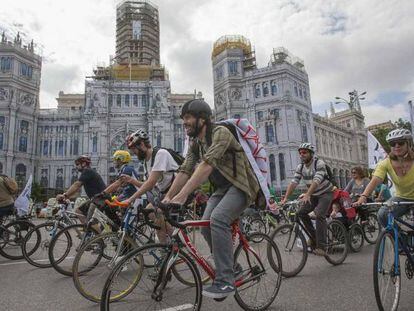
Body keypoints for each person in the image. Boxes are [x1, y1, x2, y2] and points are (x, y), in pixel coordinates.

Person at [162, 99, 260, 299]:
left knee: (218, 219)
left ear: (202, 119)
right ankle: (233, 267)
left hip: (241, 186)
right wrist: (167, 197)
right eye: (184, 119)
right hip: (222, 188)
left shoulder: (220, 133)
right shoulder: (196, 142)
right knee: (205, 224)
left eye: (188, 118)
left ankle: (225, 280)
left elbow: (206, 166)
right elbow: (185, 169)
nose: (185, 122)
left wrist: (181, 198)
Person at [120, 129, 180, 244]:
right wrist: (132, 180)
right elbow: (149, 184)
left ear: (141, 145)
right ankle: (174, 240)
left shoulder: (160, 154)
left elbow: (151, 183)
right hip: (164, 194)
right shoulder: (147, 161)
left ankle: (166, 249)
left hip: (176, 191)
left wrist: (130, 199)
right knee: (150, 212)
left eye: (134, 150)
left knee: (158, 220)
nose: (134, 154)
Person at [280, 142, 334, 256]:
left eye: (304, 152)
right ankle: (314, 237)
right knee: (300, 213)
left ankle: (322, 246)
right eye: (300, 153)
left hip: (325, 193)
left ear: (311, 153)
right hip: (313, 194)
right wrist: (285, 198)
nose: (301, 155)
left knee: (319, 215)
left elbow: (317, 180)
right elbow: (294, 182)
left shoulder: (319, 163)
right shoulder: (300, 167)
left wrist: (308, 194)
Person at [354, 129, 414, 227]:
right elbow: (375, 180)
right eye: (393, 143)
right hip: (401, 197)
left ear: (409, 144)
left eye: (401, 143)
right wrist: (363, 197)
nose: (396, 146)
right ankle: (400, 239)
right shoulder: (385, 162)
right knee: (382, 215)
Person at [56, 155, 110, 224]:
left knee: (91, 223)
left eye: (77, 164)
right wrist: (68, 196)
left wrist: (65, 195)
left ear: (84, 164)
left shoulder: (87, 171)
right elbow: (77, 188)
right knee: (78, 211)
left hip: (100, 199)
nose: (76, 166)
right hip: (96, 199)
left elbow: (77, 185)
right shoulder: (87, 172)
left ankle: (92, 232)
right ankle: (88, 232)